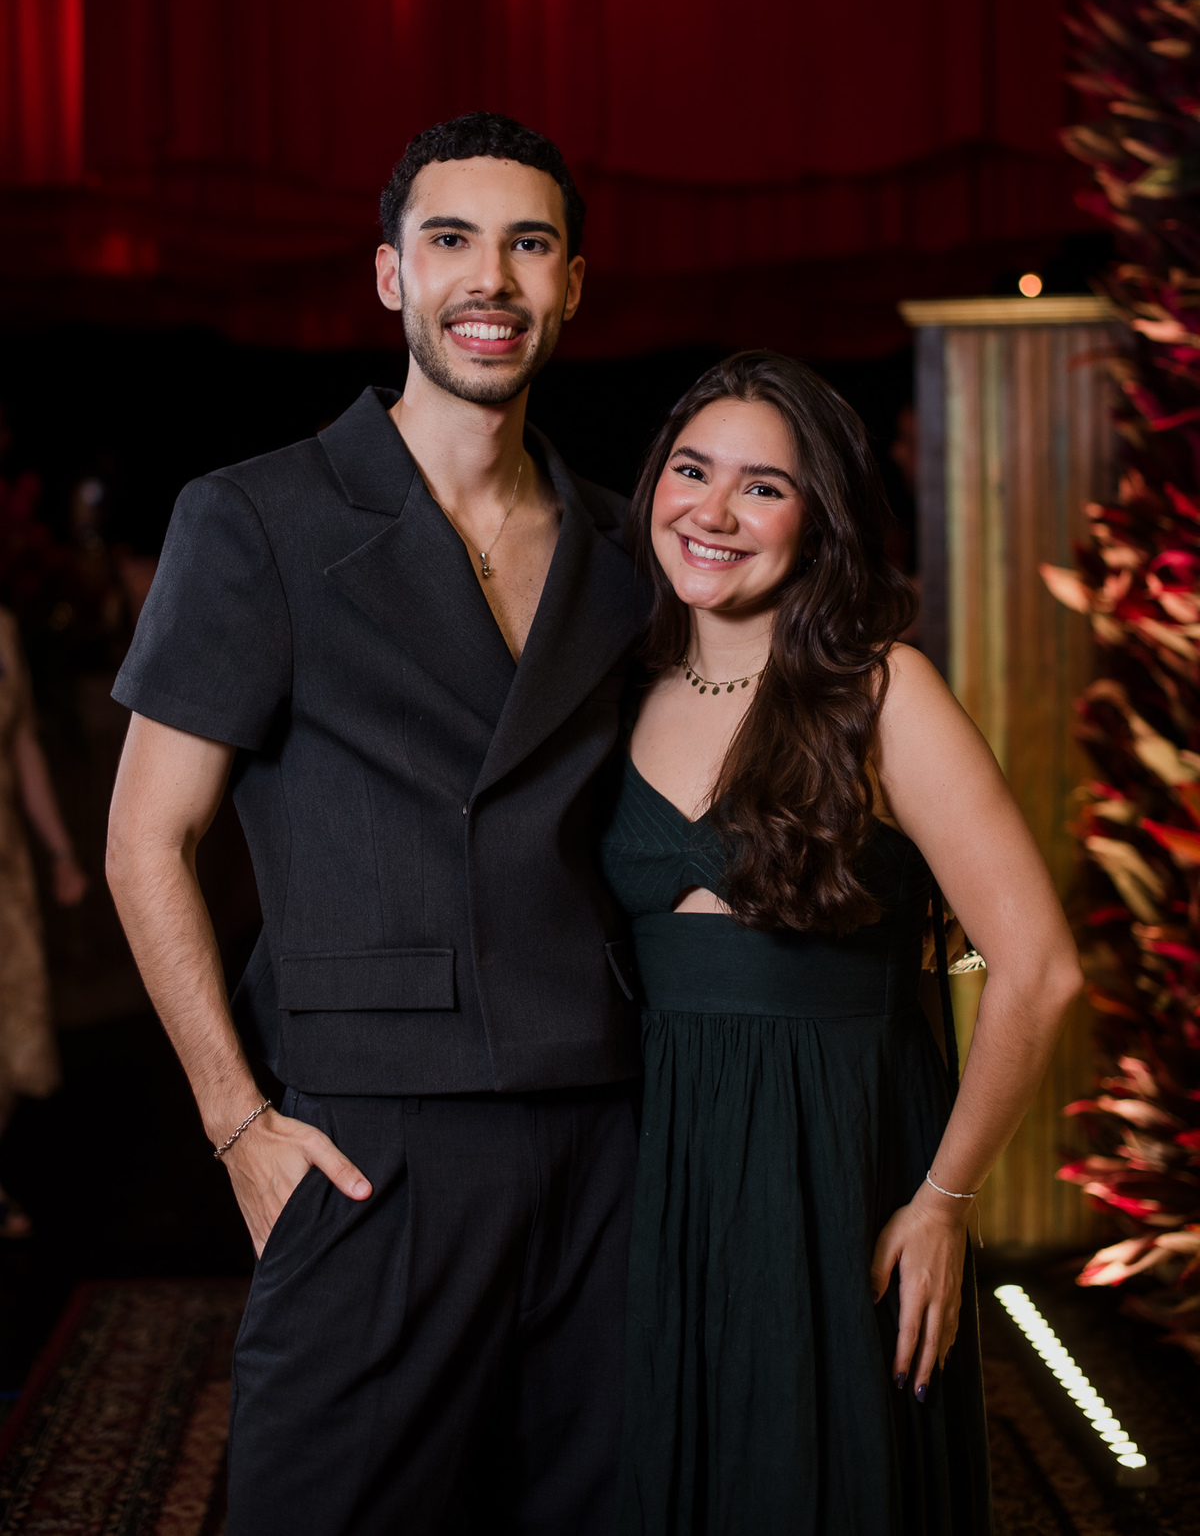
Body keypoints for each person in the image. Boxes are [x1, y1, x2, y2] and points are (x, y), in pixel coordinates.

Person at [105, 113, 644, 1535]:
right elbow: (145, 840)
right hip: (370, 1128)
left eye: (529, 244)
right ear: (393, 276)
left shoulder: (623, 543)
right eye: (452, 240)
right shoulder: (258, 517)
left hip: (606, 1114)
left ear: (573, 284)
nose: (492, 278)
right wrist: (238, 1124)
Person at [599, 351, 1083, 1533]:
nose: (712, 511)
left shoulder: (883, 692)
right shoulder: (617, 687)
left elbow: (1039, 968)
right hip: (660, 1159)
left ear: (818, 519)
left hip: (837, 1156)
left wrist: (945, 1199)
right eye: (691, 470)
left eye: (762, 487)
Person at [0, 607, 88, 1236]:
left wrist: (60, 852)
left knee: (11, 1026)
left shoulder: (3, 628)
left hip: (6, 868)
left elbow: (22, 742)